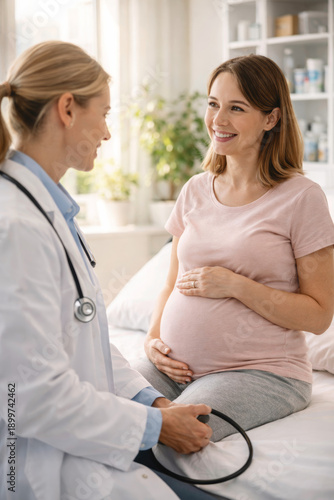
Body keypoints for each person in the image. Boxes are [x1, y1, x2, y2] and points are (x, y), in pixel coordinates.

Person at [0, 41, 221, 500]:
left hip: (81, 445)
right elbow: (30, 396)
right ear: (67, 109)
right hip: (38, 467)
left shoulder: (47, 212)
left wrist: (152, 402)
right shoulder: (17, 225)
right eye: (103, 113)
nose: (106, 132)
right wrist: (155, 426)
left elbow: (87, 336)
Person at [133, 54, 334, 443]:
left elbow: (319, 316)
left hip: (262, 371)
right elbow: (170, 283)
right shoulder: (194, 189)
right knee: (105, 412)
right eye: (213, 104)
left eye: (236, 108)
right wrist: (152, 341)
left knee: (181, 434)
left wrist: (235, 285)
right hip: (171, 367)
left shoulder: (302, 198)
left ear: (271, 119)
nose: (218, 120)